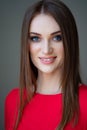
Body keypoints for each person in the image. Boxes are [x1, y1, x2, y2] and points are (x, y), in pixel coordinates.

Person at [5, 0, 87, 130]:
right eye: (35, 38)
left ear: (70, 41)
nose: (46, 50)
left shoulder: (85, 102)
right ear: (27, 44)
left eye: (57, 38)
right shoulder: (13, 101)